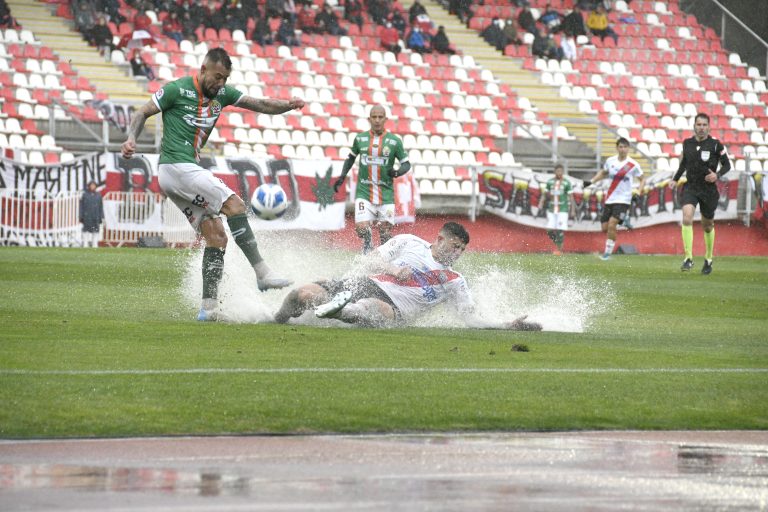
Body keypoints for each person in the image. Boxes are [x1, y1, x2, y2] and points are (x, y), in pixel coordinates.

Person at [121, 48, 305, 321]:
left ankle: (208, 309)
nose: (220, 83)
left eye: (225, 78)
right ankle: (263, 274)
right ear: (204, 68)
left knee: (216, 235)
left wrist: (289, 104)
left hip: (178, 175)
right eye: (217, 77)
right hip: (177, 166)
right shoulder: (176, 89)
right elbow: (142, 113)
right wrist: (131, 139)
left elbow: (262, 105)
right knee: (235, 205)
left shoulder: (223, 94)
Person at [273, 222, 543, 330]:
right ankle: (276, 319)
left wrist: (507, 325)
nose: (458, 252)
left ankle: (337, 310)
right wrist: (393, 270)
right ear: (439, 239)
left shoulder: (455, 281)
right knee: (302, 294)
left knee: (371, 308)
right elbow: (371, 259)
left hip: (394, 309)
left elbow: (471, 318)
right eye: (454, 245)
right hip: (364, 283)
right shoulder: (408, 242)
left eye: (462, 249)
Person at [333, 105, 411, 254]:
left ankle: (385, 258)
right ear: (369, 119)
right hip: (364, 192)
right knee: (362, 229)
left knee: (385, 232)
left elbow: (406, 164)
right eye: (374, 117)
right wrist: (342, 176)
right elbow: (350, 158)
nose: (377, 120)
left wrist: (396, 172)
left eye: (380, 117)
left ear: (385, 119)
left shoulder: (394, 141)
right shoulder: (360, 138)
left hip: (386, 195)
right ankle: (368, 245)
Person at [670, 113, 731, 274]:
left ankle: (708, 259)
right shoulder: (687, 143)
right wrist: (675, 179)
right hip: (691, 187)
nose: (701, 128)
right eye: (699, 124)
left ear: (709, 127)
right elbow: (684, 164)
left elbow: (727, 166)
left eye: (704, 125)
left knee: (708, 225)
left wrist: (716, 175)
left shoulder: (716, 145)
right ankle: (688, 258)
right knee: (687, 216)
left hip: (708, 190)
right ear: (694, 126)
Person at [583, 137, 645, 260]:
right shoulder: (610, 161)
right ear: (617, 148)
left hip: (624, 199)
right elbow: (603, 173)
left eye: (625, 147)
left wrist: (638, 191)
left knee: (612, 225)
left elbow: (642, 179)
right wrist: (591, 181)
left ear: (628, 149)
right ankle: (624, 219)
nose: (623, 149)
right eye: (620, 147)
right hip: (610, 198)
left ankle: (607, 254)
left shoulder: (633, 164)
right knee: (604, 228)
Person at [538, 164, 574, 254]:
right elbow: (545, 194)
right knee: (549, 230)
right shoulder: (550, 182)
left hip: (563, 209)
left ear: (563, 172)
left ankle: (559, 250)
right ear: (555, 172)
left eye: (561, 171)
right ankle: (557, 243)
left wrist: (572, 210)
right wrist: (541, 202)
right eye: (557, 171)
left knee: (559, 230)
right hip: (552, 209)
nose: (559, 173)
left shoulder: (566, 183)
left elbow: (571, 197)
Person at [79, 181, 104, 248]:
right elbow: (81, 206)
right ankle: (85, 244)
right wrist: (81, 216)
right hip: (87, 216)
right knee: (85, 230)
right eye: (91, 185)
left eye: (94, 185)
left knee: (96, 230)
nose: (92, 186)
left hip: (95, 216)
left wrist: (101, 216)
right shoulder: (85, 195)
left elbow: (100, 206)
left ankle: (94, 244)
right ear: (89, 186)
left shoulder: (98, 195)